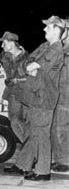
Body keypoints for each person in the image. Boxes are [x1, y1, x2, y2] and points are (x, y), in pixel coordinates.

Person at [5, 16, 65, 181]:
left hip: (43, 98)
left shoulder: (56, 49)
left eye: (47, 27)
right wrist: (31, 67)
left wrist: (32, 67)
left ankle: (43, 170)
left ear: (55, 29)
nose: (44, 29)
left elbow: (31, 66)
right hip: (36, 96)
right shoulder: (46, 46)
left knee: (41, 135)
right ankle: (24, 165)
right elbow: (26, 63)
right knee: (33, 132)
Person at [0, 31, 30, 144]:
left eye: (4, 43)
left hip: (27, 94)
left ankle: (32, 150)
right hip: (13, 94)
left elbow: (32, 78)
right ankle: (29, 149)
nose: (2, 45)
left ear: (12, 43)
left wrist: (17, 81)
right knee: (15, 122)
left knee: (28, 124)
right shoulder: (5, 55)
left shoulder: (27, 58)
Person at [50, 20, 69, 172]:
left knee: (61, 128)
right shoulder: (60, 49)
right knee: (57, 127)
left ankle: (64, 161)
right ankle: (59, 159)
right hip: (57, 94)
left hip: (65, 95)